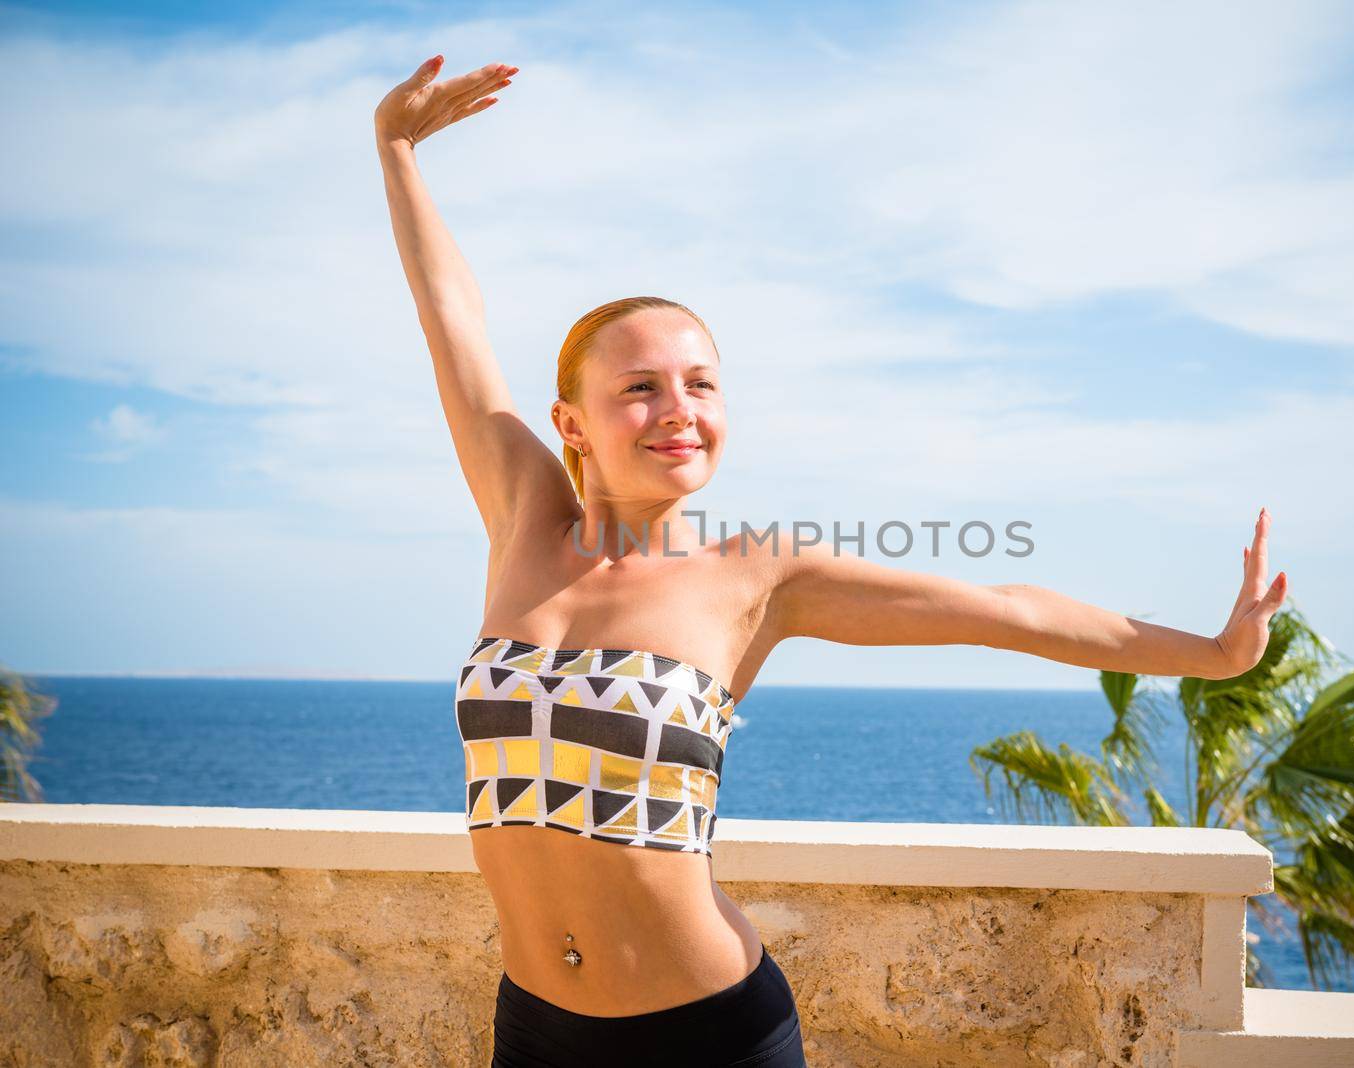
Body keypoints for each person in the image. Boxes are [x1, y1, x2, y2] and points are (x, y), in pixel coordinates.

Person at [374, 53, 1288, 1068]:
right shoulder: (522, 518)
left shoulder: (755, 577)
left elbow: (1003, 608)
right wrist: (399, 149)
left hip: (705, 1035)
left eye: (702, 385)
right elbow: (451, 320)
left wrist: (1214, 652)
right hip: (535, 1026)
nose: (679, 411)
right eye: (640, 387)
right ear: (570, 423)